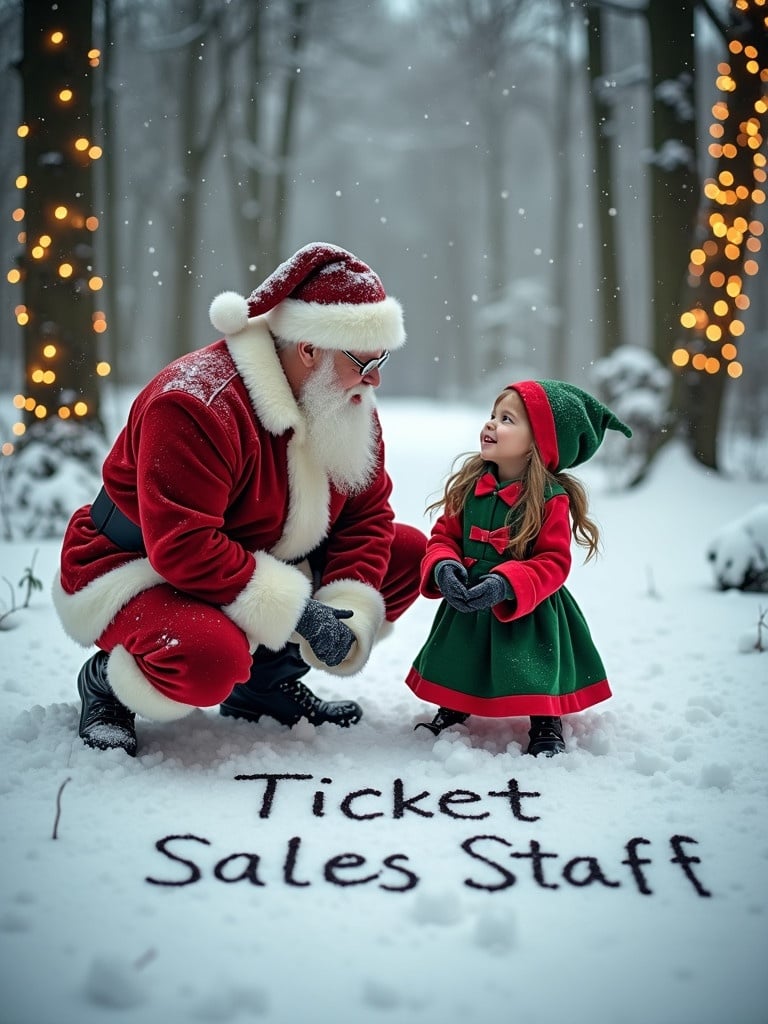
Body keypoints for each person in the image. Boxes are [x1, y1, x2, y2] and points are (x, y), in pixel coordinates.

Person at [53, 242, 427, 756]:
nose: (376, 377)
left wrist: (345, 608)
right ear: (310, 349)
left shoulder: (344, 398)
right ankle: (110, 682)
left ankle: (264, 688)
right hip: (138, 564)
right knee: (208, 658)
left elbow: (368, 513)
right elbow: (183, 544)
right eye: (365, 360)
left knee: (406, 555)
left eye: (381, 359)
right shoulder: (195, 403)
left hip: (256, 556)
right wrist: (295, 611)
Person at [406, 379, 631, 756]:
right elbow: (443, 536)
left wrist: (505, 583)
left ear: (540, 442)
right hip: (468, 598)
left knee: (532, 664)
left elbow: (554, 561)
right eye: (492, 415)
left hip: (525, 606)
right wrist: (444, 565)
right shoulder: (469, 486)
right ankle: (456, 701)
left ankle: (545, 719)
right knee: (461, 653)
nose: (491, 424)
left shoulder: (549, 500)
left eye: (507, 419)